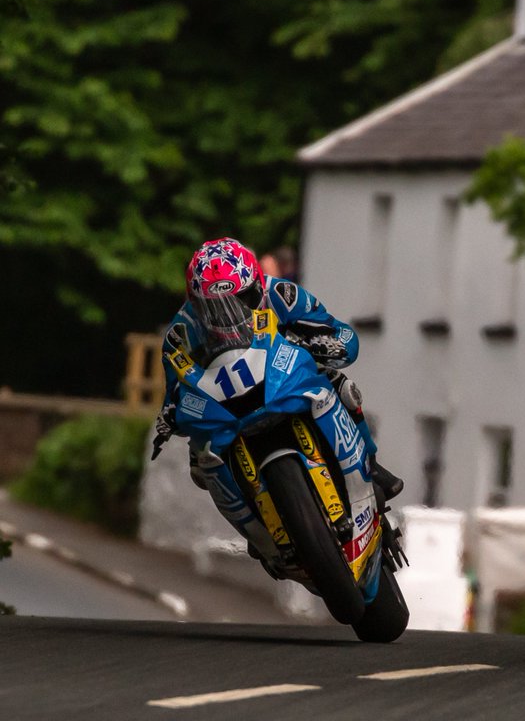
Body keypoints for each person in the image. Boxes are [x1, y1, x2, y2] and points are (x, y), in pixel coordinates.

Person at [152, 237, 404, 573]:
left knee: (338, 385)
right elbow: (175, 388)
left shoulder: (283, 294)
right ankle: (256, 530)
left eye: (240, 299)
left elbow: (338, 331)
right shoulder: (181, 331)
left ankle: (370, 464)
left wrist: (327, 343)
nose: (226, 315)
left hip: (283, 375)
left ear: (255, 284)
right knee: (200, 463)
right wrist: (173, 414)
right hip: (225, 401)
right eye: (213, 307)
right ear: (196, 302)